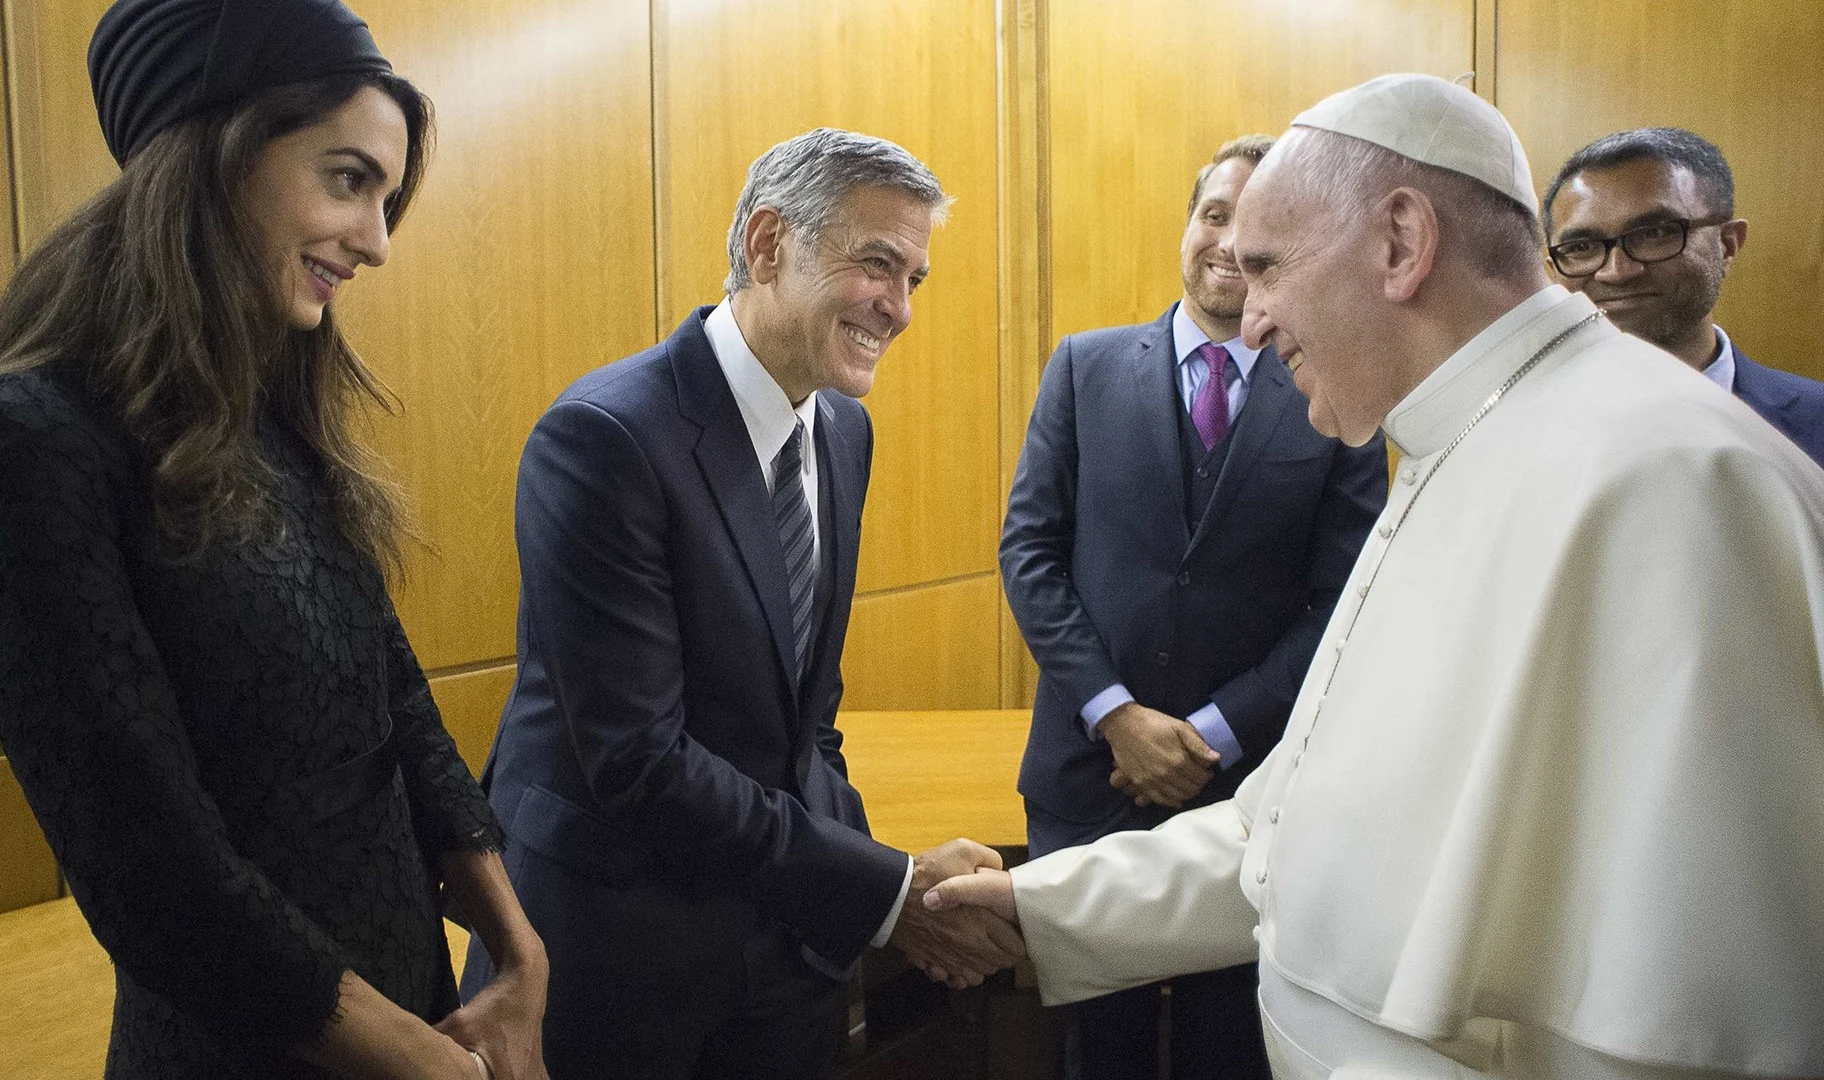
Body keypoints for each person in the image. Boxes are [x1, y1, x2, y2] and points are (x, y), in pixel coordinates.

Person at [927, 74, 1824, 1079]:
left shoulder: (1677, 482)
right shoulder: (1453, 438)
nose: (1251, 319)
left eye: (1267, 267)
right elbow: (1300, 831)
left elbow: (1698, 1014)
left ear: (1401, 243)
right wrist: (1037, 905)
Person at [0, 2, 548, 1078]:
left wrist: (517, 954)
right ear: (214, 157)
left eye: (387, 197)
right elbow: (145, 867)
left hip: (419, 1016)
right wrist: (413, 1058)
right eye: (349, 180)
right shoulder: (12, 441)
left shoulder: (269, 402)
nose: (378, 242)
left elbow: (389, 696)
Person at [461, 128, 1023, 1080]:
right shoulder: (604, 439)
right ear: (768, 244)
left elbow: (807, 724)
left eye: (915, 279)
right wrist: (885, 891)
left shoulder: (845, 430)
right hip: (619, 955)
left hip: (781, 949)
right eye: (877, 265)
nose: (899, 309)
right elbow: (640, 761)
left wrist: (871, 896)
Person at [1000, 133, 1384, 1080]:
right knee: (1101, 1050)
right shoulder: (1083, 368)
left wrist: (1209, 733)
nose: (1228, 242)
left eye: (1258, 227)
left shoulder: (1336, 389)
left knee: (1232, 1049)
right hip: (1087, 777)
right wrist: (1117, 715)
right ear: (1188, 224)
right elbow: (1031, 553)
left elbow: (1345, 599)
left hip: (1250, 787)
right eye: (1215, 214)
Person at [1543, 126, 1824, 465]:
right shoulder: (1510, 425)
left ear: (1727, 244)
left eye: (1655, 233)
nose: (1617, 271)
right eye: (1581, 247)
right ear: (1552, 268)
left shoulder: (1815, 420)